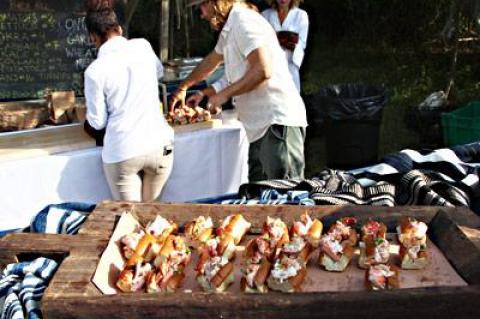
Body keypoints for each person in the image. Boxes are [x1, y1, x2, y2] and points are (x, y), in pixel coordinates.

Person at [171, 0, 307, 182]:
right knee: (260, 202)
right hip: (260, 128)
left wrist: (223, 95)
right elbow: (212, 61)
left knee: (287, 200)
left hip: (277, 124)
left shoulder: (243, 21)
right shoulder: (231, 26)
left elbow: (262, 70)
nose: (201, 14)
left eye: (201, 5)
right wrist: (184, 87)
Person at [84, 8, 174, 201]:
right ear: (119, 29)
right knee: (154, 215)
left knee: (131, 220)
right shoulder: (143, 46)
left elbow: (97, 122)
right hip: (163, 146)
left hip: (124, 152)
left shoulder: (94, 71)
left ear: (93, 38)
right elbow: (159, 73)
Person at [262, 0, 309, 92]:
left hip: (290, 65)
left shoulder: (301, 15)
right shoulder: (265, 15)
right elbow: (261, 41)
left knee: (291, 101)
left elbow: (301, 43)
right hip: (270, 67)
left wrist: (275, 36)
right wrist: (287, 38)